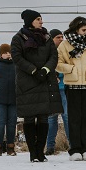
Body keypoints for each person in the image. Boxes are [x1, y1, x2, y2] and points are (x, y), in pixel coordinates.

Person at [12, 10, 63, 162]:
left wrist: (45, 70)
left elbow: (54, 56)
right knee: (29, 119)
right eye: (38, 19)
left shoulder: (47, 38)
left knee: (43, 118)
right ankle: (32, 152)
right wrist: (34, 71)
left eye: (41, 19)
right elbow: (17, 58)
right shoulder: (18, 38)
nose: (41, 22)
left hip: (45, 80)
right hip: (27, 83)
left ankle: (40, 152)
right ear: (29, 21)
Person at [57, 16, 86, 161]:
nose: (85, 32)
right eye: (83, 30)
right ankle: (75, 148)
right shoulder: (64, 45)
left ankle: (85, 147)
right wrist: (71, 69)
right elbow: (58, 63)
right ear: (75, 29)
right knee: (74, 118)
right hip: (72, 85)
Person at [46, 28, 69, 155]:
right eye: (58, 37)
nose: (61, 39)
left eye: (62, 37)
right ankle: (50, 146)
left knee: (67, 117)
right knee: (51, 119)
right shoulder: (47, 52)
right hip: (52, 90)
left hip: (64, 88)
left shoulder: (65, 51)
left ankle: (72, 145)